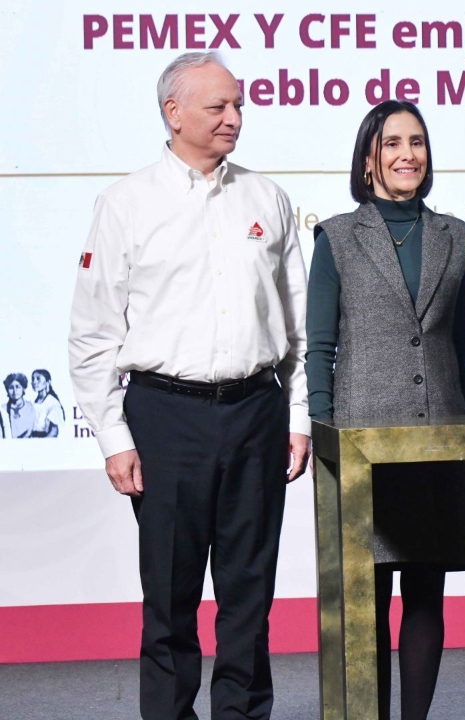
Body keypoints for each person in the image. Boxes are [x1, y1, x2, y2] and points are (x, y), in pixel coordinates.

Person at [67, 52, 310, 720]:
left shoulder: (269, 199)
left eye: (238, 105)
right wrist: (114, 437)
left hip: (257, 413)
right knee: (170, 599)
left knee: (248, 598)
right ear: (173, 113)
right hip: (165, 417)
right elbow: (92, 334)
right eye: (218, 106)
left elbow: (299, 327)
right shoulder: (124, 203)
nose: (235, 117)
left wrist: (298, 417)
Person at [306, 99, 465, 720]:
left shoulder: (454, 235)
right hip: (364, 442)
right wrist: (325, 435)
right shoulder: (335, 237)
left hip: (440, 434)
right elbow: (321, 348)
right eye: (392, 144)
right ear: (368, 161)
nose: (407, 154)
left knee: (427, 592)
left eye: (417, 142)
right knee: (370, 596)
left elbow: (463, 342)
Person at [30, 369, 65, 438]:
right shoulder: (35, 402)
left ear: (47, 382)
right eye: (33, 379)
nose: (34, 382)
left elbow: (54, 431)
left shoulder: (52, 402)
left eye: (38, 379)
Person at [5, 373, 35, 438]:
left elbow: (29, 429)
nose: (15, 391)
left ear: (23, 388)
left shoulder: (30, 406)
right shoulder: (3, 409)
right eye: (11, 388)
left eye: (17, 387)